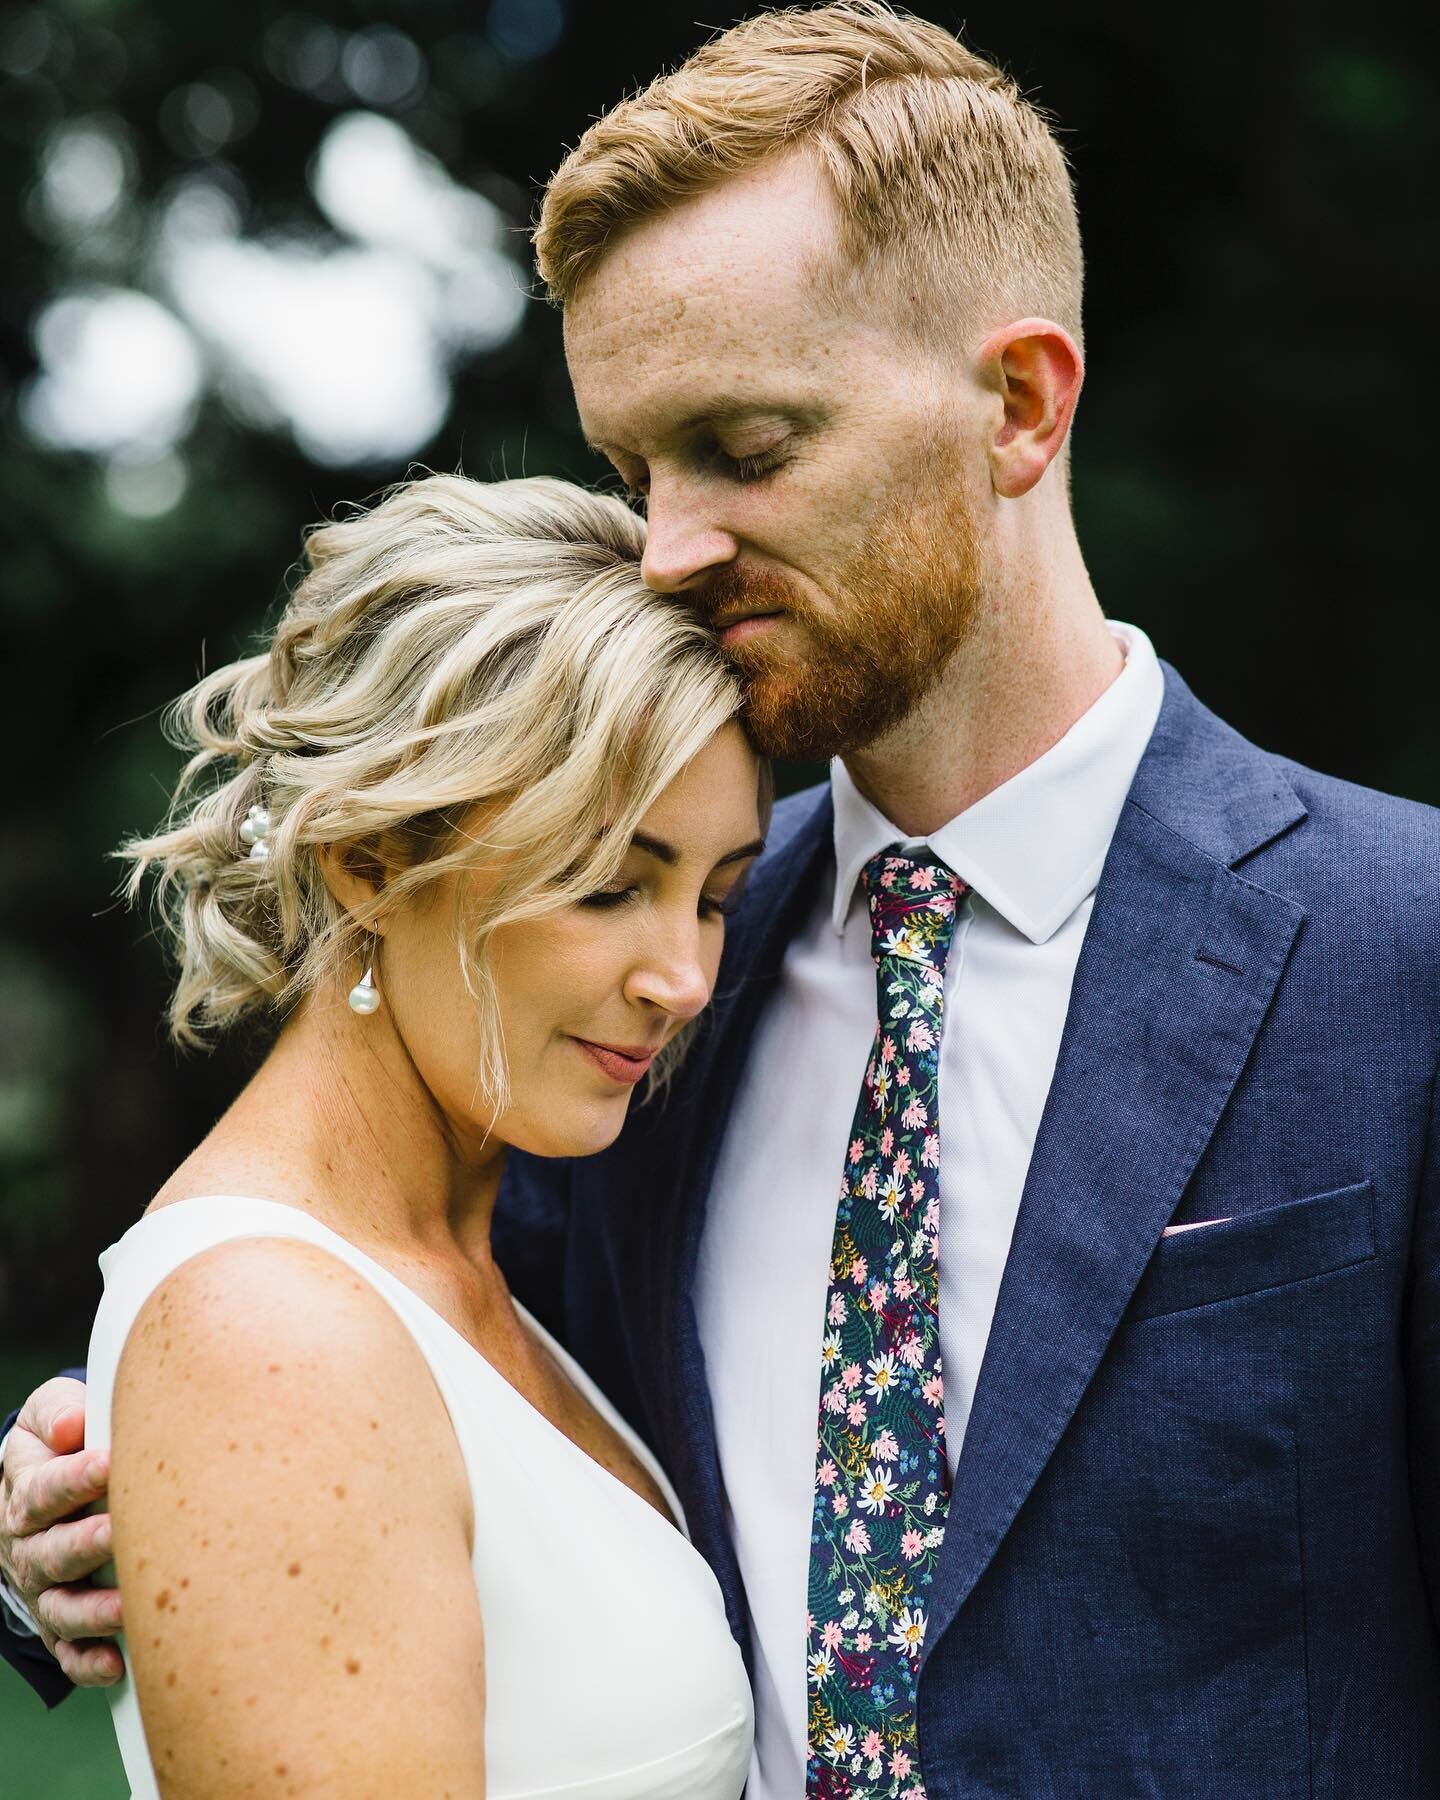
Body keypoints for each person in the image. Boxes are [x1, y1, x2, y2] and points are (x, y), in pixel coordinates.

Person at [5, 2, 1440, 1793]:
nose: (668, 547)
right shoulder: (635, 1001)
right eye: (633, 470)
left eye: (745, 450)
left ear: (1018, 404)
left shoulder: (1406, 954)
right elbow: (367, 1354)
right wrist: (83, 1472)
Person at [1, 471, 761, 1795]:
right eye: (607, 884)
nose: (684, 977)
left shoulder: (488, 1260)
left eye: (714, 896)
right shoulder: (267, 1336)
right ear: (366, 862)